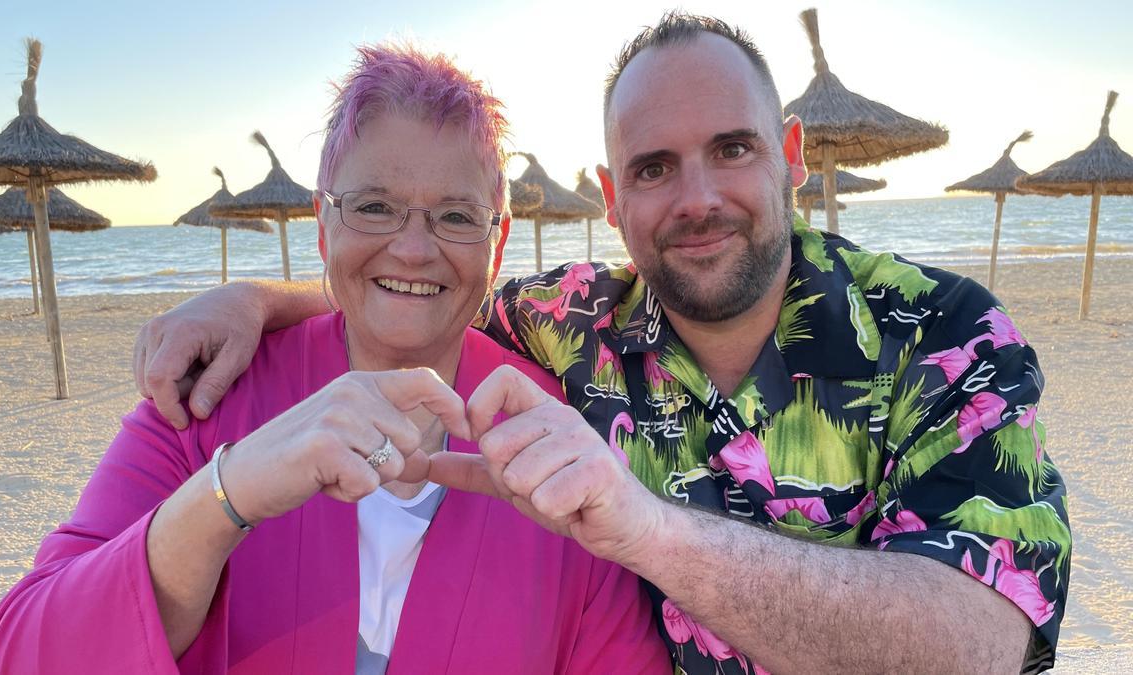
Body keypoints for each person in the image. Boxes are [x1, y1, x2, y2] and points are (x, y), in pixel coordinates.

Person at [132, 14, 1070, 674]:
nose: (697, 196)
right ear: (612, 198)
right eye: (654, 167)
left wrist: (650, 530)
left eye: (732, 149)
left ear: (789, 157)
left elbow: (978, 643)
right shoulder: (572, 322)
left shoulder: (942, 336)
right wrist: (255, 296)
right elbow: (420, 282)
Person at [0, 44, 669, 675]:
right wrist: (232, 491)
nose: (413, 248)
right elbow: (27, 651)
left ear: (498, 241)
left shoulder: (559, 442)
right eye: (375, 207)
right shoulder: (208, 398)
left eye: (456, 216)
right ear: (323, 224)